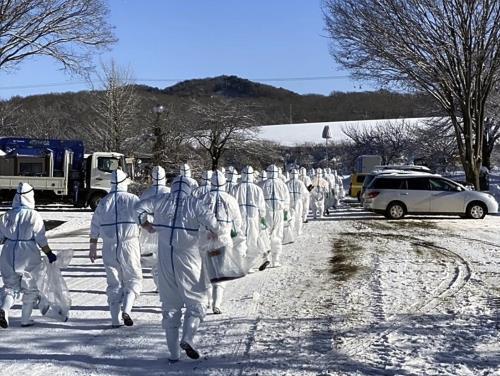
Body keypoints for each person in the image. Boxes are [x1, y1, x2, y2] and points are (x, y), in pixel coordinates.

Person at [136, 176, 221, 361]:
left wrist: (145, 224)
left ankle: (173, 354)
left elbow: (138, 208)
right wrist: (213, 235)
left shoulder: (160, 200)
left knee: (170, 307)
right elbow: (214, 224)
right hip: (189, 259)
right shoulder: (195, 203)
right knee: (196, 300)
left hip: (166, 259)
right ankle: (188, 338)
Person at [89, 169, 142, 328]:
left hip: (109, 246)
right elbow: (145, 219)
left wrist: (93, 247)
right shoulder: (133, 199)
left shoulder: (104, 201)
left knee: (114, 282)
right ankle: (127, 309)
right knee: (133, 278)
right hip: (129, 244)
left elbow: (94, 224)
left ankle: (114, 319)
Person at [0, 183, 57, 329]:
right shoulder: (34, 215)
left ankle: (4, 310)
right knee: (30, 287)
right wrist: (49, 253)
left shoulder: (6, 215)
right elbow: (40, 239)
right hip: (28, 253)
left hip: (8, 252)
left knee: (10, 287)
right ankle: (25, 319)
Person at [203, 170, 244, 314]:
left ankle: (207, 300)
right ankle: (217, 303)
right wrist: (235, 233)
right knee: (221, 271)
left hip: (205, 238)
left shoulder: (203, 198)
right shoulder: (230, 199)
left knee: (206, 269)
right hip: (224, 239)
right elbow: (238, 221)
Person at [139, 166, 170, 291]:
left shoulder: (146, 193)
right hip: (166, 227)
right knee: (166, 256)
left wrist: (143, 224)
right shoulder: (169, 192)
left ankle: (159, 284)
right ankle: (165, 283)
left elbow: (138, 211)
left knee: (154, 257)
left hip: (149, 227)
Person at [232, 166, 269, 271]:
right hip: (253, 217)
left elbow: (231, 204)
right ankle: (251, 263)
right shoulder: (257, 189)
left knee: (240, 240)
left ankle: (242, 264)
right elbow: (262, 207)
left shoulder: (236, 188)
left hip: (239, 217)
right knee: (254, 239)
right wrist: (262, 218)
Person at [261, 164, 290, 268]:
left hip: (266, 213)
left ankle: (265, 258)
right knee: (277, 235)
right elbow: (287, 199)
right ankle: (275, 260)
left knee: (264, 235)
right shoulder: (282, 184)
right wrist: (286, 211)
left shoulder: (261, 184)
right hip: (278, 212)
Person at [286, 169, 308, 236]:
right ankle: (298, 231)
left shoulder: (286, 183)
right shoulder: (300, 183)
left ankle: (291, 231)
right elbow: (306, 193)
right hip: (298, 201)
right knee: (298, 217)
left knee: (291, 217)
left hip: (290, 201)